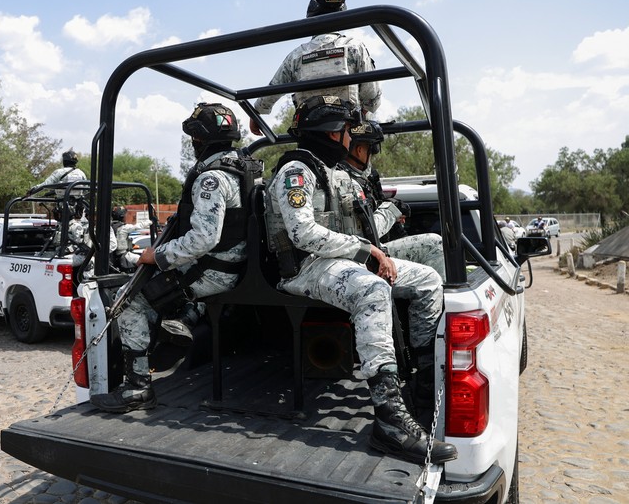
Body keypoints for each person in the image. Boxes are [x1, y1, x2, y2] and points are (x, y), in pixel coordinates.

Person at [264, 95, 456, 464]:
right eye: (350, 131)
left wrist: (371, 240)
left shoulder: (333, 172)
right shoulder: (296, 172)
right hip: (305, 267)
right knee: (372, 287)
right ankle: (389, 420)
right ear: (333, 133)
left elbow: (360, 227)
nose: (354, 140)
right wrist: (367, 251)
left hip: (336, 260)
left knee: (429, 279)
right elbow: (302, 233)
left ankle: (422, 386)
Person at [90, 103, 262, 413]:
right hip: (240, 266)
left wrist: (157, 255)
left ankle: (138, 387)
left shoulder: (211, 179)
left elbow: (203, 238)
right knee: (168, 289)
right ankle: (183, 320)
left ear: (200, 140)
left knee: (130, 302)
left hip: (215, 270)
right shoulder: (244, 167)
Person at [248, 0, 382, 136]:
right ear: (343, 18)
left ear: (310, 17)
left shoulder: (296, 55)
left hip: (308, 132)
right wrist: (358, 117)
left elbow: (274, 88)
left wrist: (257, 113)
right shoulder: (355, 48)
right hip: (345, 133)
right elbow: (372, 97)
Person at [337, 119, 447, 282]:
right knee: (434, 244)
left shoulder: (358, 178)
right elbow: (364, 232)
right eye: (370, 150)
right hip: (362, 255)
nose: (371, 157)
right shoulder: (346, 182)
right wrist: (391, 210)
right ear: (360, 150)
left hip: (364, 252)